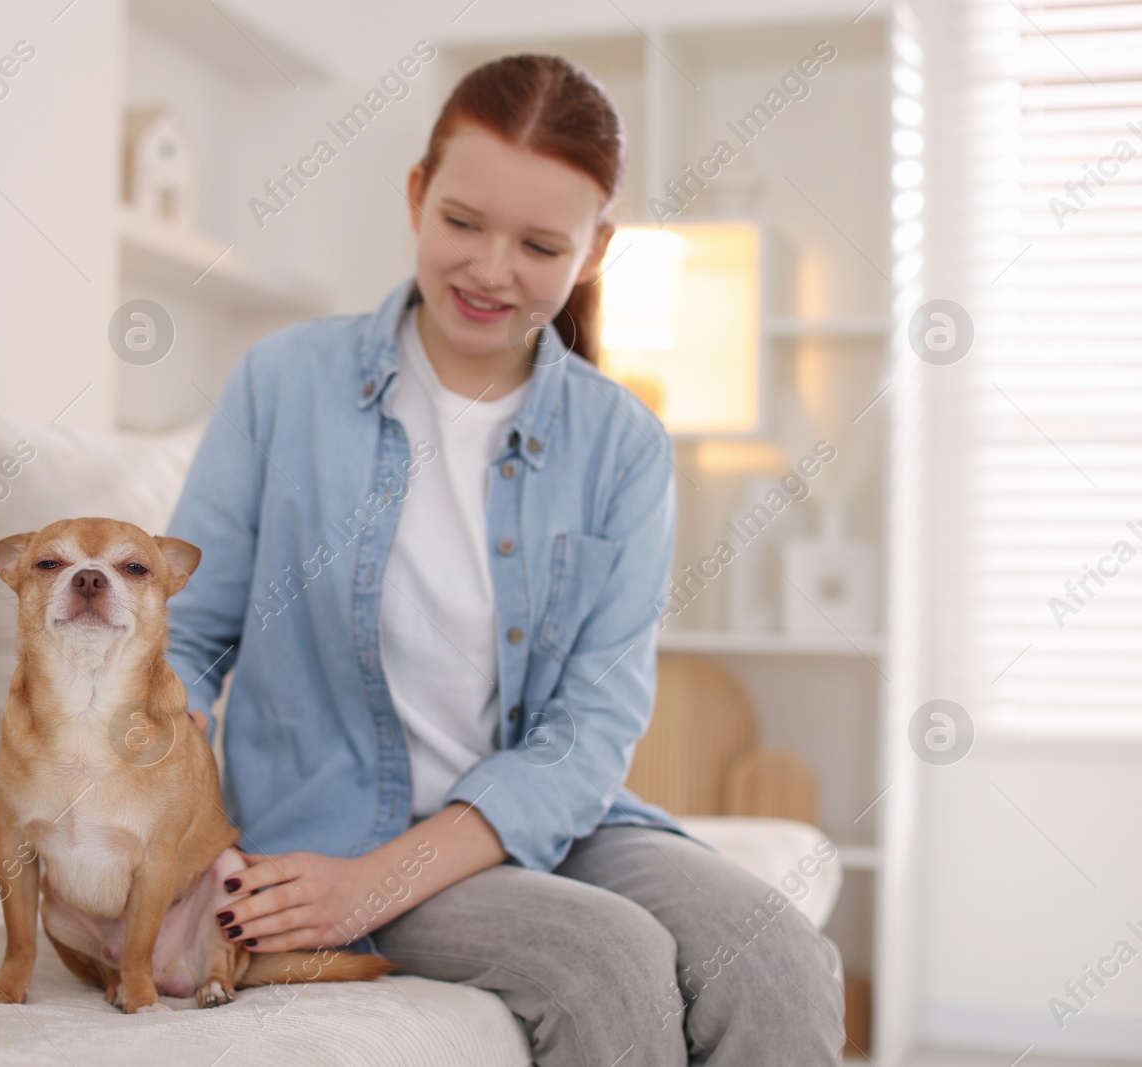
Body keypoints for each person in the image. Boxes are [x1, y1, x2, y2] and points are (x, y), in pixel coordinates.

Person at [164, 53, 844, 1066]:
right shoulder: (283, 384)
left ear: (594, 249)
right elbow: (181, 635)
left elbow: (591, 727)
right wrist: (174, 827)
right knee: (605, 961)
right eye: (462, 223)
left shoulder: (621, 445)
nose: (489, 271)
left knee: (778, 954)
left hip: (556, 823)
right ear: (415, 196)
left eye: (538, 244)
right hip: (334, 832)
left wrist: (385, 883)